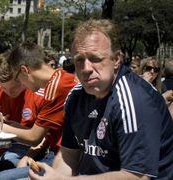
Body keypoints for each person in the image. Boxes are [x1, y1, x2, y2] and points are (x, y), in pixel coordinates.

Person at [30, 19, 173, 180]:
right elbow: (68, 155)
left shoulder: (134, 99)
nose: (86, 68)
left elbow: (137, 176)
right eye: (79, 60)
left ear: (117, 59)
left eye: (95, 59)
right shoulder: (75, 96)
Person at [0, 42, 77, 180]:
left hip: (63, 157)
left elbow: (34, 138)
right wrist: (16, 128)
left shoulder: (55, 87)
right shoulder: (59, 78)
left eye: (18, 80)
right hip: (61, 153)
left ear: (25, 71)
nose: (22, 85)